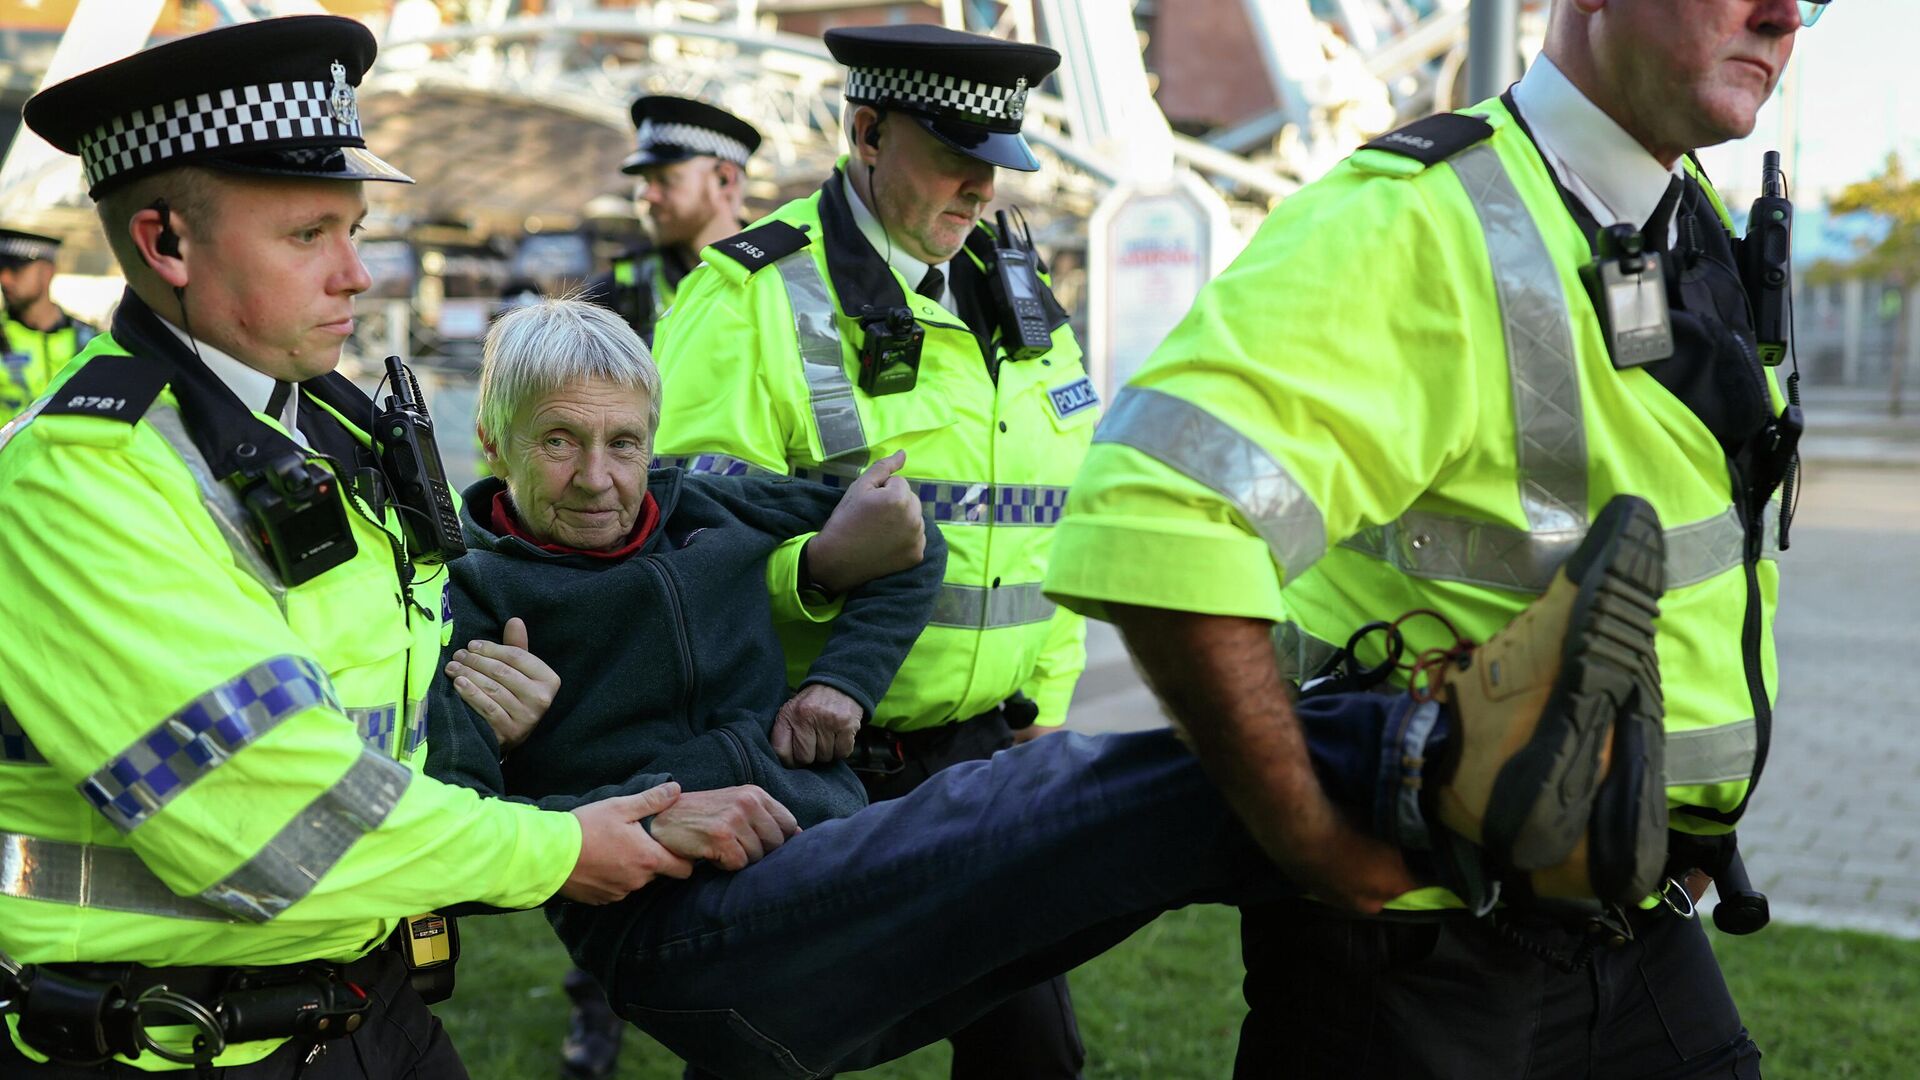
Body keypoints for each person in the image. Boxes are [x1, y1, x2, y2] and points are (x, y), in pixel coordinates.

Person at [428, 295, 1670, 1080]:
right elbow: (444, 864)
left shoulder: (707, 500)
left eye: (620, 441)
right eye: (557, 442)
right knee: (1053, 792)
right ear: (494, 442)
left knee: (1187, 845)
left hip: (833, 851)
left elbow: (905, 544)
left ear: (651, 435)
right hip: (695, 943)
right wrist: (585, 794)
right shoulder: (471, 605)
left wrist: (847, 685)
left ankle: (1498, 830)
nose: (597, 477)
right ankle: (1437, 740)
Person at [1043, 1, 1824, 1075]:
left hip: (1631, 916)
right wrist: (1307, 836)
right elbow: (1155, 504)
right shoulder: (1417, 219)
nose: (1785, 16)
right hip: (1417, 954)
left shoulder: (1678, 222)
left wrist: (1684, 829)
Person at [0, 18, 693, 1077]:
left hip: (362, 1010)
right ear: (165, 245)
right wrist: (561, 851)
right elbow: (280, 819)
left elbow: (364, 694)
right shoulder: (76, 481)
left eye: (356, 228)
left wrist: (476, 715)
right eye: (309, 235)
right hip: (169, 1042)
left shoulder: (317, 426)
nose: (357, 275)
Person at [649, 26, 1095, 1078]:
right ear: (864, 132)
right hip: (816, 765)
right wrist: (816, 577)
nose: (983, 188)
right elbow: (672, 559)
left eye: (999, 162)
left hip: (992, 754)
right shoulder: (747, 298)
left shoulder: (1022, 297)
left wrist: (1052, 705)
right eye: (955, 157)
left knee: (1032, 1055)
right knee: (772, 1048)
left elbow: (1059, 520)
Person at [581, 96, 761, 345]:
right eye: (645, 180)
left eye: (665, 179)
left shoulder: (776, 277)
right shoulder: (615, 293)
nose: (646, 194)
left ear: (724, 179)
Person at [0, 227, 98, 421]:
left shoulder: (91, 341)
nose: (4, 279)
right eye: (0, 269)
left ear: (47, 272)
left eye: (16, 269)